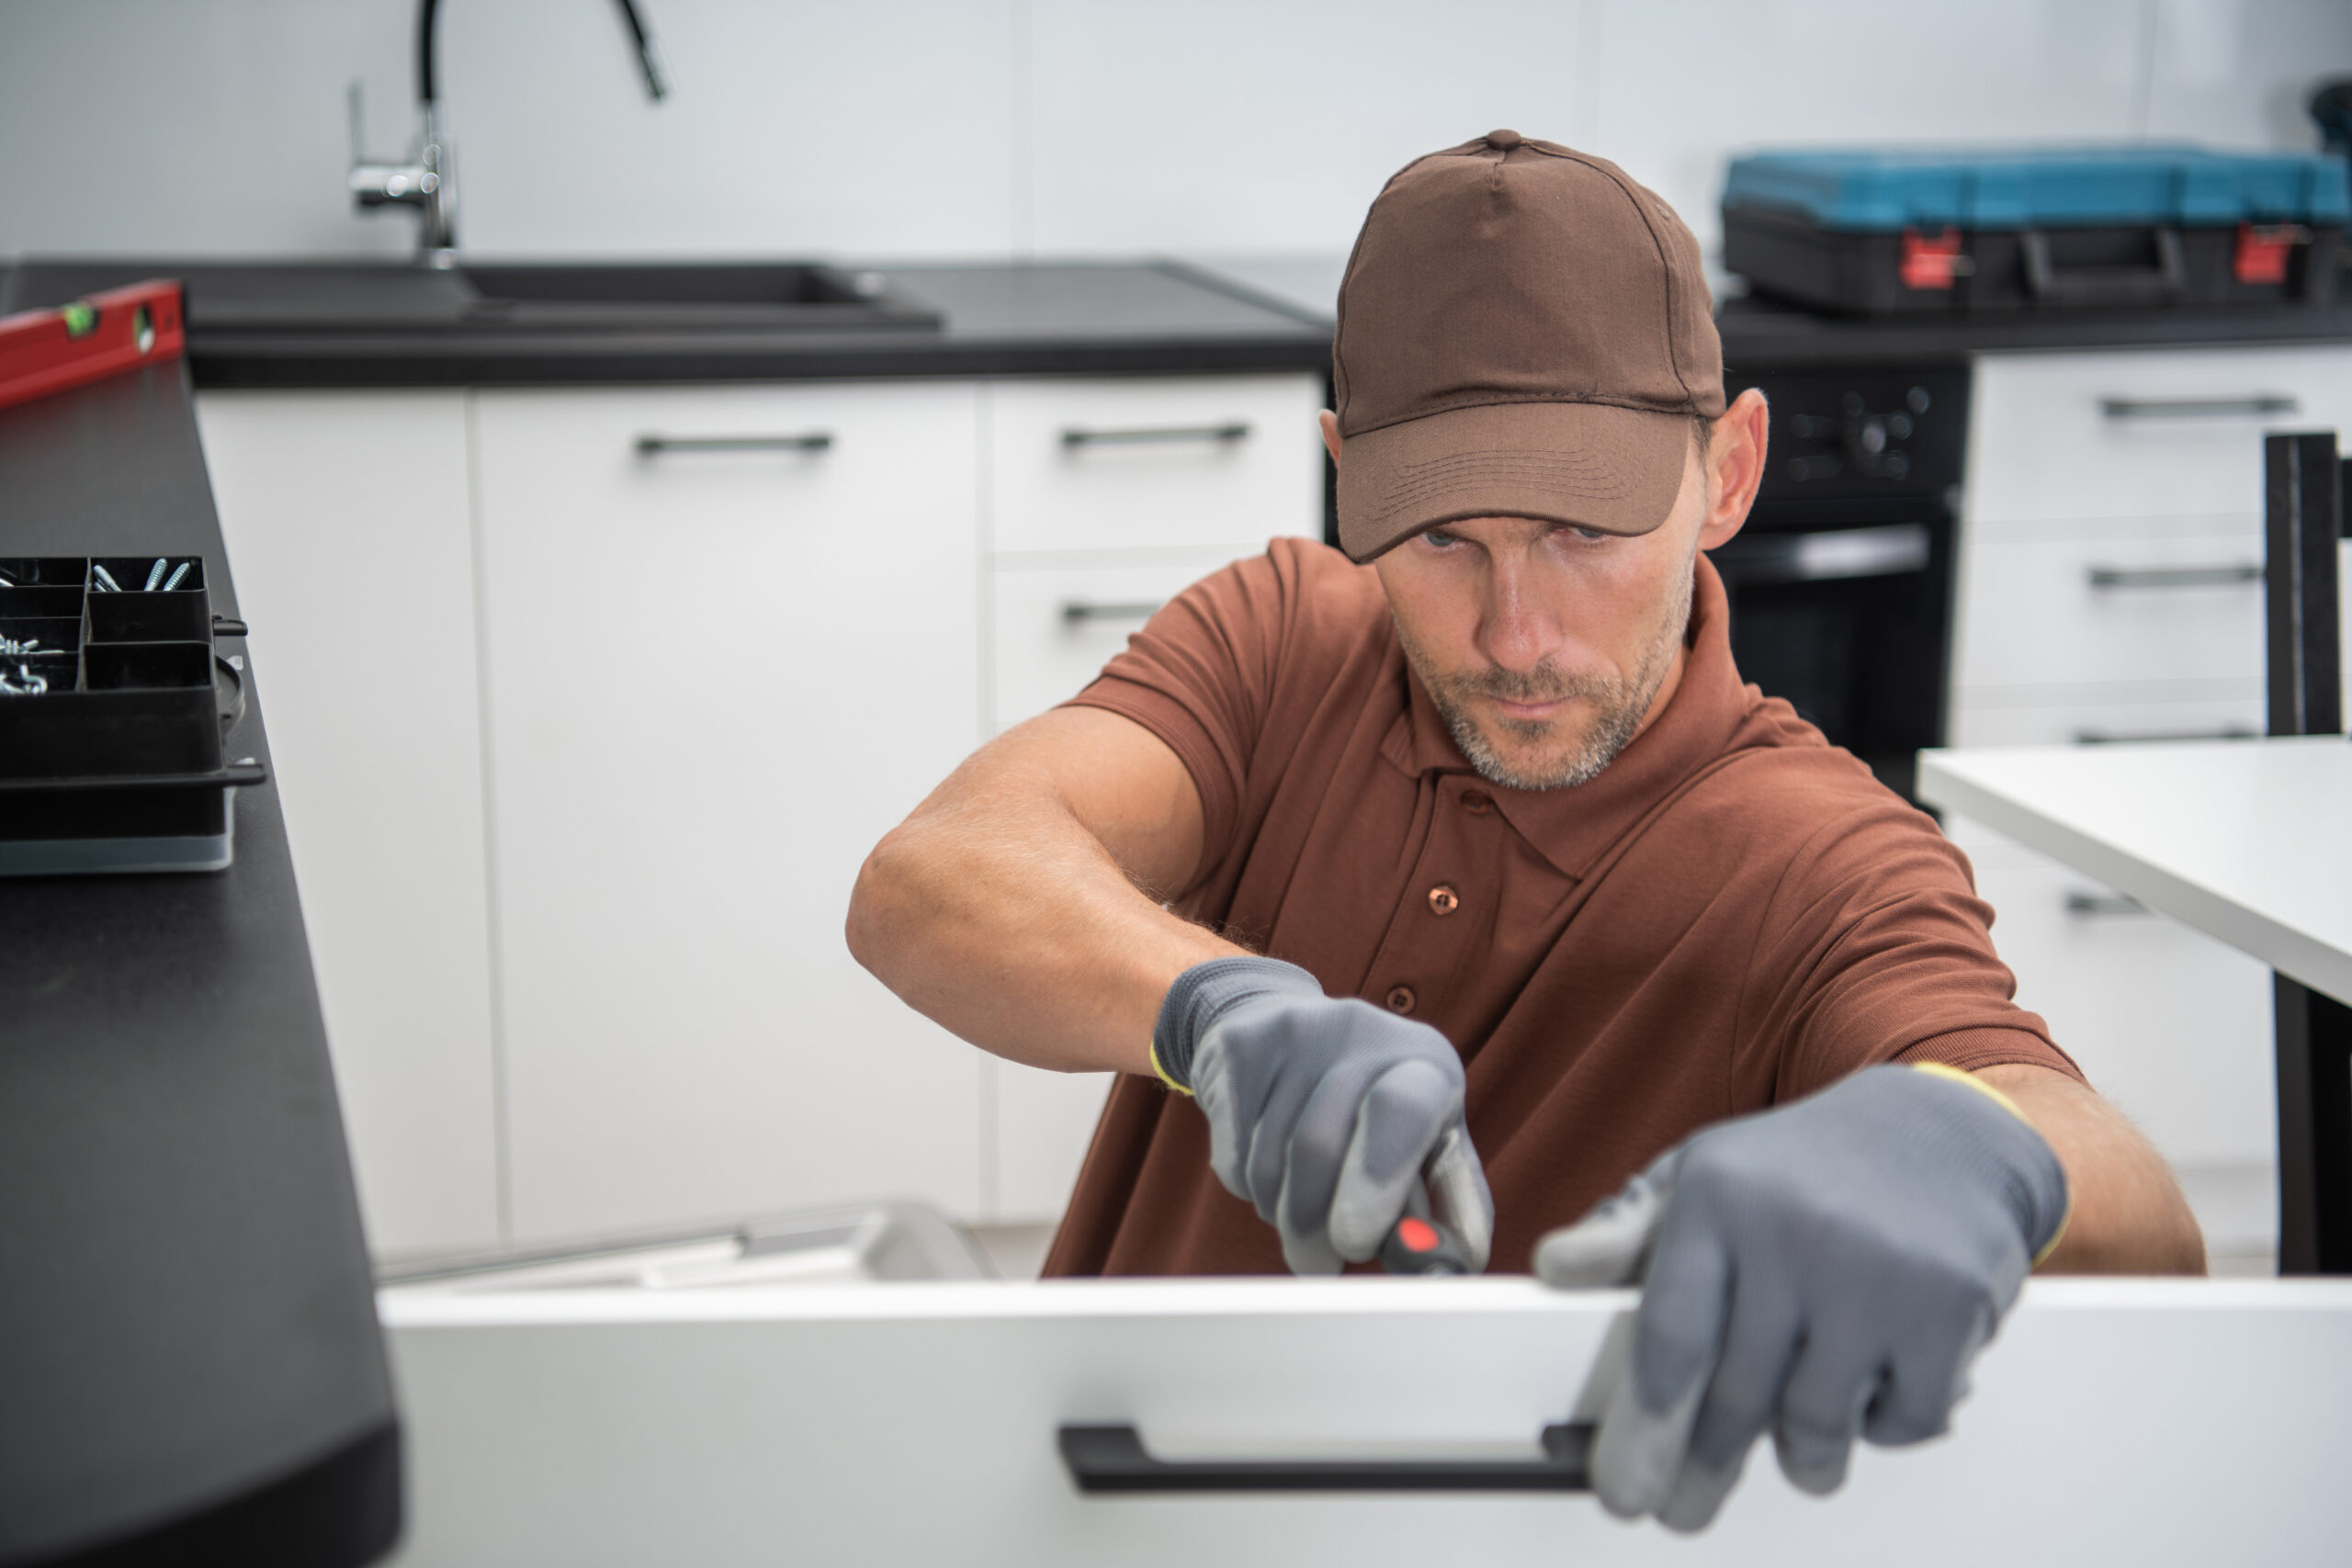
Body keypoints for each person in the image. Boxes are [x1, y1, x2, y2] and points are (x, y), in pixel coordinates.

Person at [846, 131, 2204, 1531]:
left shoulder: (1826, 861)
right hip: (1097, 1517)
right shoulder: (1285, 639)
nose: (1513, 636)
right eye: (1444, 539)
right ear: (1345, 476)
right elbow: (931, 876)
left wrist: (1967, 1146)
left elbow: (2145, 1223)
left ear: (1729, 472)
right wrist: (1212, 1006)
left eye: (1580, 532)